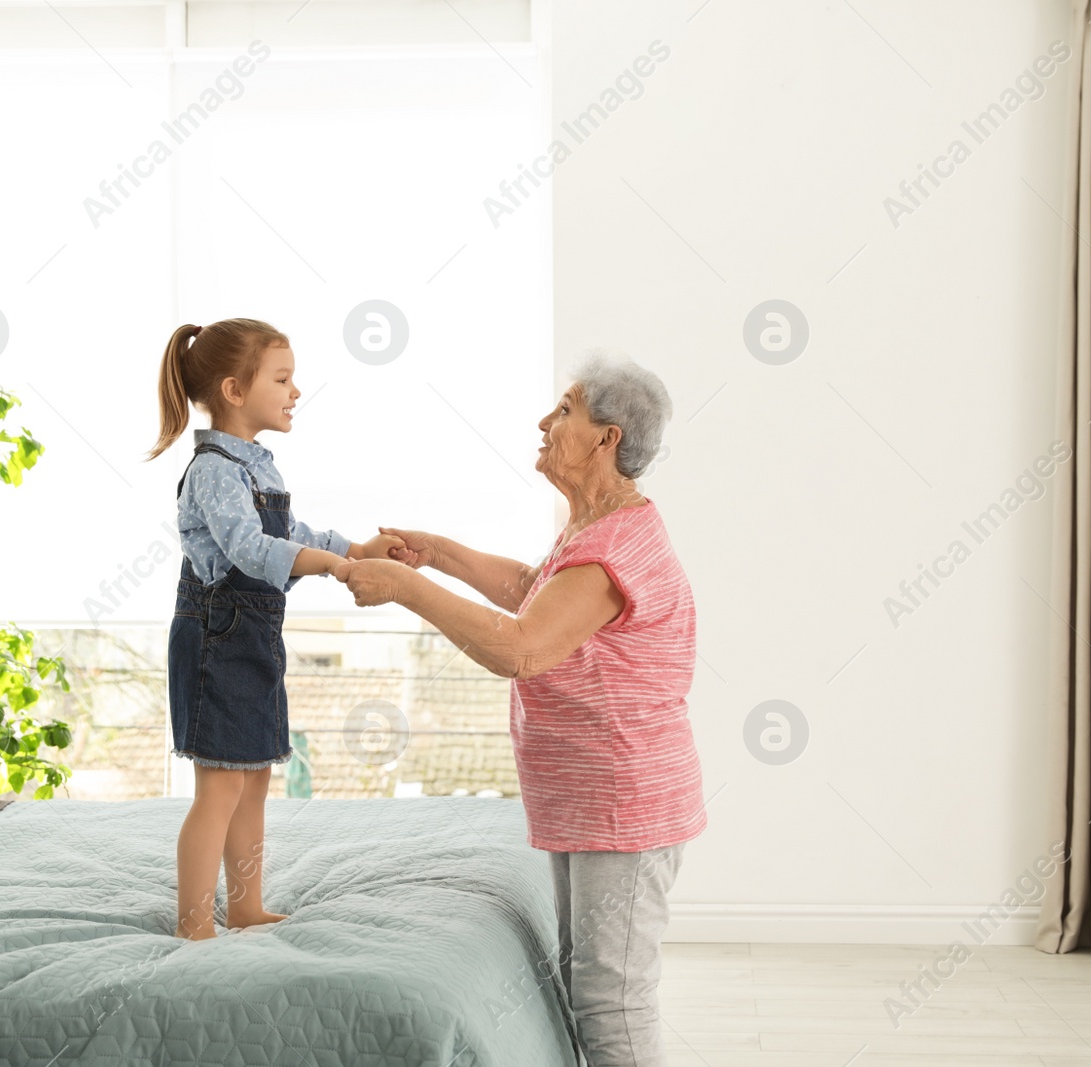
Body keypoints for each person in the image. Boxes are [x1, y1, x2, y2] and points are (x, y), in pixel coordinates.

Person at [333, 347, 706, 1067]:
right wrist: (434, 553)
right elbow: (535, 588)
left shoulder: (612, 551)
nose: (544, 420)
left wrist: (406, 588)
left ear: (607, 438)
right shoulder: (595, 528)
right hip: (592, 796)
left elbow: (525, 648)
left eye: (564, 409)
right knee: (586, 981)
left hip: (623, 802)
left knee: (612, 999)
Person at [146, 317, 403, 941]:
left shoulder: (256, 466)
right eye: (283, 379)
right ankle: (190, 924)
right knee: (220, 786)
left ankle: (246, 904)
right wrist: (332, 567)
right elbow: (247, 547)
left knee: (255, 778)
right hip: (217, 635)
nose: (295, 392)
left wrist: (355, 547)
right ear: (235, 390)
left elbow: (292, 534)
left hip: (253, 635)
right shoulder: (213, 469)